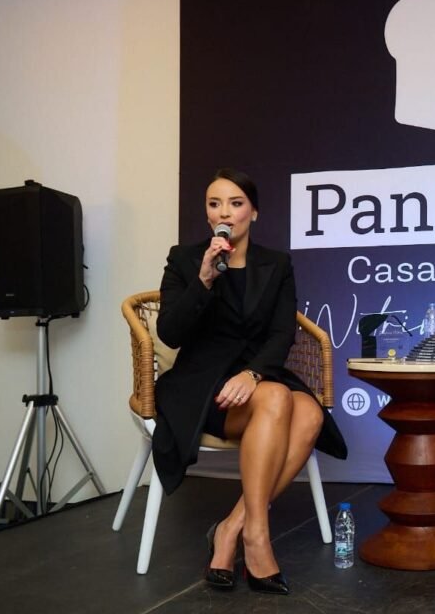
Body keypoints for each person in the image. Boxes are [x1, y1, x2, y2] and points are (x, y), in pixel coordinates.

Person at [151, 168, 347, 595]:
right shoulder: (184, 259)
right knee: (279, 399)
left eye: (236, 203)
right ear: (207, 214)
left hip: (258, 373)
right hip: (200, 384)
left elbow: (282, 333)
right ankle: (257, 538)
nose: (225, 213)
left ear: (253, 213)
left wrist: (253, 373)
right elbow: (170, 333)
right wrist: (204, 280)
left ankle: (232, 527)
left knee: (309, 415)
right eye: (215, 204)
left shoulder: (277, 264)